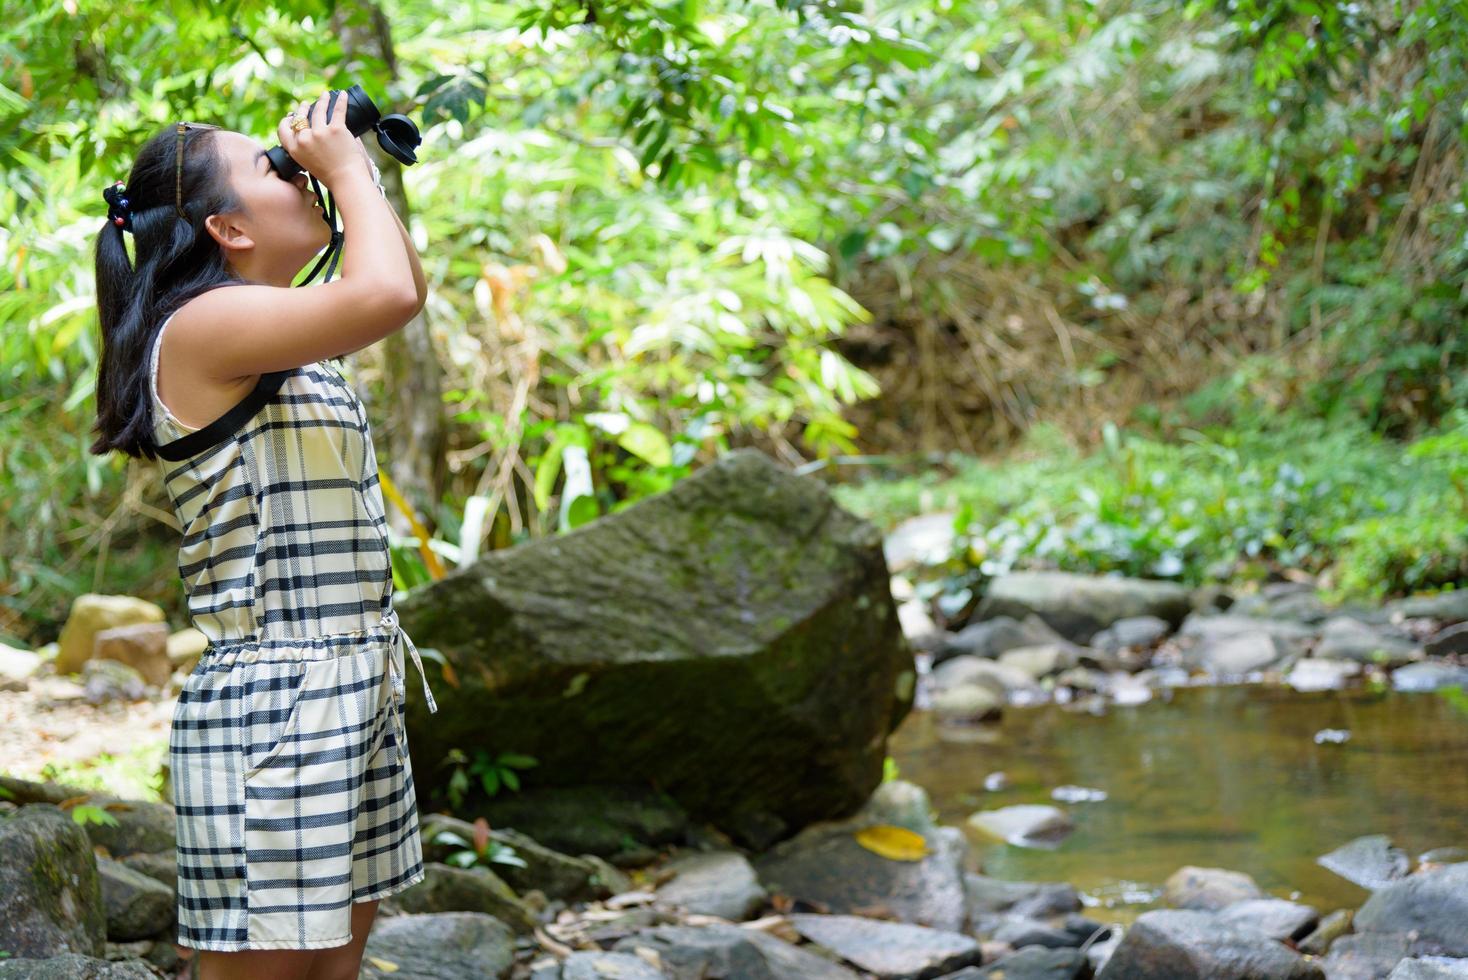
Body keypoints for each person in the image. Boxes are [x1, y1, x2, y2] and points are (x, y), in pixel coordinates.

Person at [89, 90, 438, 980]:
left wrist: (352, 171)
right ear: (229, 230)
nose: (297, 169)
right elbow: (389, 290)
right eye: (270, 167)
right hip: (275, 713)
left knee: (331, 974)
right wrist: (347, 168)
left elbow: (405, 285)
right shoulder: (204, 328)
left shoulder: (277, 335)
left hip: (349, 690)